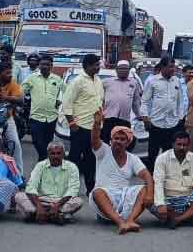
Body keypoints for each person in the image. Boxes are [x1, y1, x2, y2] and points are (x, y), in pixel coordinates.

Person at [89, 111, 153, 233]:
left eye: (122, 139)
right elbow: (94, 140)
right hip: (105, 201)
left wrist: (149, 195)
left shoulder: (132, 158)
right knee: (97, 192)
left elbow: (147, 176)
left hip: (124, 199)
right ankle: (121, 223)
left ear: (128, 143)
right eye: (116, 138)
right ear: (111, 140)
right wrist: (97, 124)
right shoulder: (103, 151)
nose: (118, 141)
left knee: (145, 189)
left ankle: (130, 220)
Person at [151, 130, 193, 228]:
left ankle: (177, 219)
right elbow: (158, 182)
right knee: (149, 198)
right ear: (173, 144)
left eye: (185, 145)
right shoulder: (162, 158)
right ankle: (189, 217)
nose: (182, 147)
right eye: (179, 144)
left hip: (188, 199)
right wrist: (160, 204)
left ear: (189, 145)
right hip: (169, 199)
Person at [62, 53, 105, 192]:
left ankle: (90, 189)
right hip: (80, 127)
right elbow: (67, 102)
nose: (98, 67)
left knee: (91, 160)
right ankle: (68, 189)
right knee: (74, 159)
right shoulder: (78, 81)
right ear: (87, 66)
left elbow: (100, 101)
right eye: (96, 65)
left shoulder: (98, 80)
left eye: (99, 64)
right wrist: (71, 123)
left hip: (95, 128)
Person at [15, 141, 83, 224]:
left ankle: (36, 215)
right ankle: (59, 216)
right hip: (41, 200)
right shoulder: (40, 165)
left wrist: (57, 205)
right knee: (19, 196)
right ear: (48, 154)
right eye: (53, 153)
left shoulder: (72, 167)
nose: (56, 156)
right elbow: (31, 187)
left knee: (78, 201)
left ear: (63, 154)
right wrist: (39, 206)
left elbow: (73, 190)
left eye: (58, 153)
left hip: (61, 202)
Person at [141, 56, 188, 171]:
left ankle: (167, 180)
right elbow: (145, 100)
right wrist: (145, 118)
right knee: (152, 155)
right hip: (156, 124)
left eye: (174, 67)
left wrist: (180, 118)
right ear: (162, 67)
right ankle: (151, 181)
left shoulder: (176, 80)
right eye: (170, 67)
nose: (173, 69)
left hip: (172, 125)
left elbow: (180, 101)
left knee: (169, 156)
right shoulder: (152, 81)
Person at [22, 54, 64, 162]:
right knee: (38, 144)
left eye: (47, 64)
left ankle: (42, 167)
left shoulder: (57, 79)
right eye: (42, 64)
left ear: (51, 66)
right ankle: (45, 162)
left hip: (51, 118)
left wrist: (60, 101)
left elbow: (66, 92)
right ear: (39, 65)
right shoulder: (32, 78)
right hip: (36, 118)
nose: (44, 66)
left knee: (47, 144)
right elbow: (21, 91)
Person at [103, 59, 142, 143]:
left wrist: (139, 115)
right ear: (116, 70)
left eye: (125, 69)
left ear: (129, 70)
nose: (123, 71)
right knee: (106, 143)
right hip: (108, 120)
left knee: (124, 143)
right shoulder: (107, 82)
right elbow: (100, 100)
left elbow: (135, 103)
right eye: (121, 69)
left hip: (125, 120)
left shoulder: (134, 83)